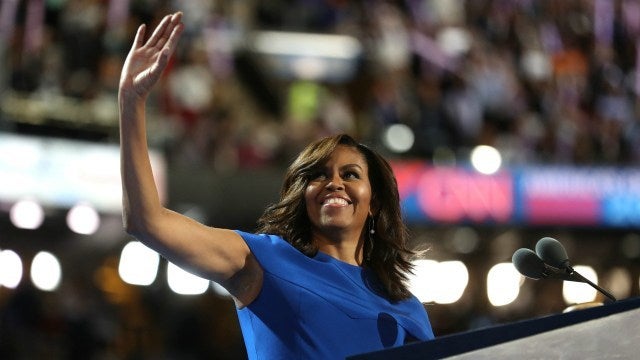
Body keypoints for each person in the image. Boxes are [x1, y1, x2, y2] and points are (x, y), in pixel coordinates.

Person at [119, 12, 434, 359]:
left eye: (351, 174)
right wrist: (132, 102)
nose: (334, 183)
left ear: (374, 202)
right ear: (303, 197)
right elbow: (146, 221)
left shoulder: (408, 309)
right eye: (318, 175)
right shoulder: (262, 261)